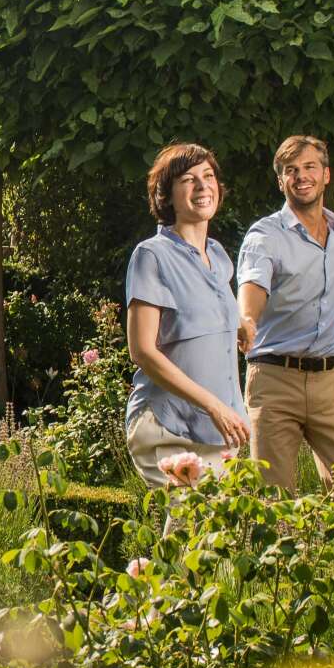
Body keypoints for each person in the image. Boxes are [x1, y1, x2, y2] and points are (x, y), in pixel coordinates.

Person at [236, 134, 334, 491]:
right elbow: (253, 286)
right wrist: (247, 321)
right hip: (275, 380)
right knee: (272, 504)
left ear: (326, 175)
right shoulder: (264, 236)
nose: (301, 176)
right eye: (290, 170)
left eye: (310, 167)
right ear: (281, 182)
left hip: (332, 381)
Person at [124, 143, 250, 488]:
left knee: (207, 539)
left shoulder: (218, 255)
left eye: (208, 176)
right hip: (167, 426)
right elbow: (143, 351)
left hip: (218, 432)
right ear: (167, 195)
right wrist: (213, 405)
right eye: (188, 179)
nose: (202, 186)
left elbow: (204, 308)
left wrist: (238, 324)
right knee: (190, 528)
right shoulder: (152, 255)